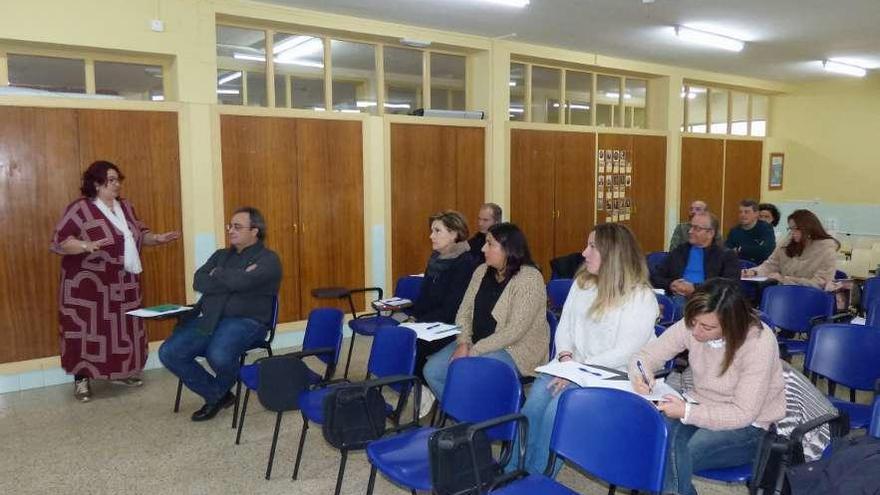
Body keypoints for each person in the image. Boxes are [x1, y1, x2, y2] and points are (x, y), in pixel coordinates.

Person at [514, 223, 658, 475]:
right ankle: (512, 470)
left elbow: (624, 352)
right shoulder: (583, 283)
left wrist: (575, 371)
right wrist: (566, 358)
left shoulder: (641, 296)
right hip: (572, 366)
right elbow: (564, 326)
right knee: (533, 406)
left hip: (614, 376)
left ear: (613, 253)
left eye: (592, 246)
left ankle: (536, 480)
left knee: (555, 414)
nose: (583, 252)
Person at [628, 278, 785, 495]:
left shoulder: (758, 341)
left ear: (731, 324)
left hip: (750, 427)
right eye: (693, 323)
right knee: (653, 443)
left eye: (707, 327)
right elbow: (645, 356)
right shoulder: (696, 322)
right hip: (697, 405)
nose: (696, 332)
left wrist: (687, 411)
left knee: (668, 459)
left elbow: (744, 413)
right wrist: (641, 373)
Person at [51, 160, 180, 402]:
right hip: (87, 287)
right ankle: (81, 380)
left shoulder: (126, 207)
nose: (117, 184)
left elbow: (140, 235)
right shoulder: (80, 209)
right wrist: (85, 245)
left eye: (117, 179)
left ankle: (120, 372)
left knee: (123, 329)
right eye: (111, 180)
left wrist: (158, 239)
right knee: (85, 330)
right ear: (96, 183)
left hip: (123, 285)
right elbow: (59, 240)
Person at [158, 207, 281, 422]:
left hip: (248, 321)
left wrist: (220, 275)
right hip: (211, 318)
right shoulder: (221, 255)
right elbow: (199, 280)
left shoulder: (269, 259)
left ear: (255, 231)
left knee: (219, 355)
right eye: (229, 226)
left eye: (237, 227)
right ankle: (218, 394)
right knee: (169, 352)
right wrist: (234, 279)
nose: (231, 230)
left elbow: (244, 282)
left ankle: (215, 396)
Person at [424, 222, 548, 400]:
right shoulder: (481, 271)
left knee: (471, 373)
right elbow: (464, 311)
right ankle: (467, 417)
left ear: (507, 249)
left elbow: (515, 331)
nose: (483, 249)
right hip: (475, 341)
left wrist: (474, 351)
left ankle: (484, 418)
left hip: (514, 349)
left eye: (490, 244)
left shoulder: (529, 278)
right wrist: (463, 343)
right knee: (433, 371)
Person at [406, 211, 477, 414]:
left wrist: (419, 324)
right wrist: (414, 318)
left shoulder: (464, 263)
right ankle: (422, 386)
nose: (431, 236)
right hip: (431, 321)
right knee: (403, 337)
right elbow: (424, 296)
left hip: (452, 325)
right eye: (431, 231)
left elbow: (451, 308)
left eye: (437, 231)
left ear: (454, 234)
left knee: (415, 345)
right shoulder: (436, 258)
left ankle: (428, 387)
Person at [652, 212, 739, 309]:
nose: (690, 231)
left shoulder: (726, 255)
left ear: (710, 233)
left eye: (696, 228)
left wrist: (695, 288)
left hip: (708, 300)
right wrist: (671, 284)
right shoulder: (680, 251)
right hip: (675, 296)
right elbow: (656, 275)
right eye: (691, 227)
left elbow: (730, 285)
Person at [743, 209, 839, 289]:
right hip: (784, 293)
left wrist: (785, 280)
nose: (792, 233)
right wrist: (754, 272)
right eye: (790, 228)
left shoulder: (826, 249)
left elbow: (821, 283)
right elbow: (771, 265)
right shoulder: (788, 242)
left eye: (796, 228)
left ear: (809, 229)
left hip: (811, 298)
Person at [726, 199, 776, 265]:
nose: (742, 215)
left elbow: (766, 251)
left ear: (756, 214)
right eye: (740, 212)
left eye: (746, 212)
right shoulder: (734, 231)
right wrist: (755, 249)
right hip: (738, 266)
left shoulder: (766, 228)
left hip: (760, 268)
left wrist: (740, 249)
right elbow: (728, 252)